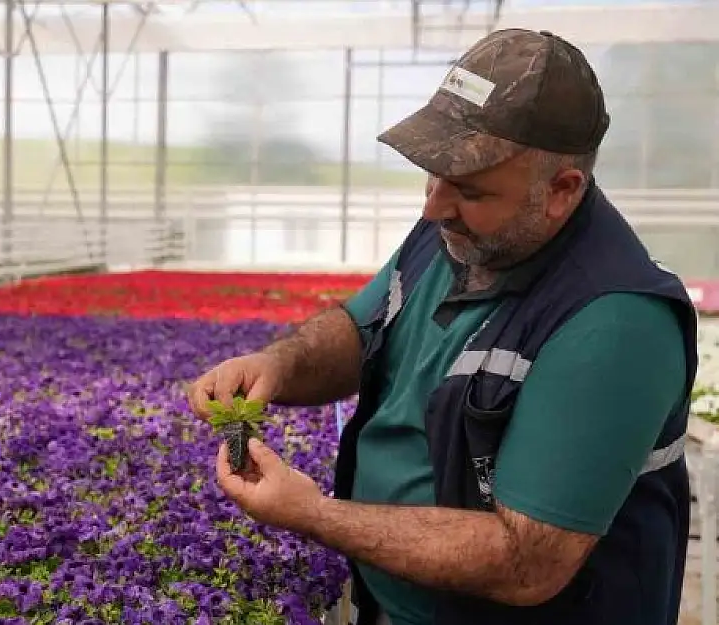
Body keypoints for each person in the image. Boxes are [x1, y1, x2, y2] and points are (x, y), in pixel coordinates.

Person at [186, 28, 699, 625]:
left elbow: (526, 562)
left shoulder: (612, 323)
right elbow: (361, 327)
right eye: (434, 174)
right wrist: (280, 365)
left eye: (470, 188)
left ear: (561, 190)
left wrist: (314, 514)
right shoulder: (462, 228)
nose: (433, 206)